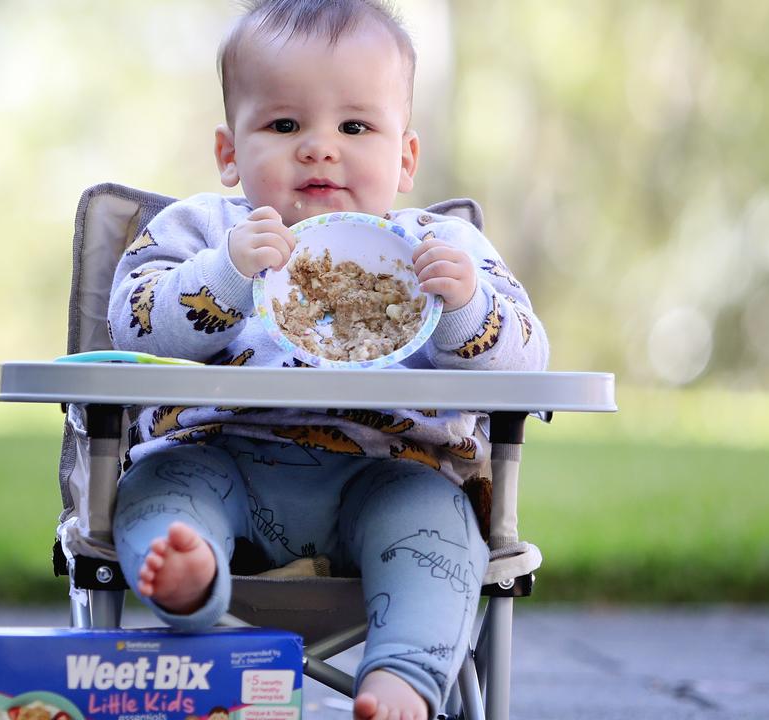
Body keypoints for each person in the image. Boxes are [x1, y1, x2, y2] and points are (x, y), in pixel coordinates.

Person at [105, 1, 548, 718]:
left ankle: (401, 678)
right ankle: (191, 577)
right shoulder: (201, 232)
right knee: (161, 488)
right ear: (229, 151)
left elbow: (530, 365)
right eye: (284, 125)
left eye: (355, 126)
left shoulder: (443, 250)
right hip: (220, 458)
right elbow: (130, 325)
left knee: (437, 529)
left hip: (394, 472)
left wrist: (464, 307)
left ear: (405, 157)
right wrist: (224, 276)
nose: (318, 148)